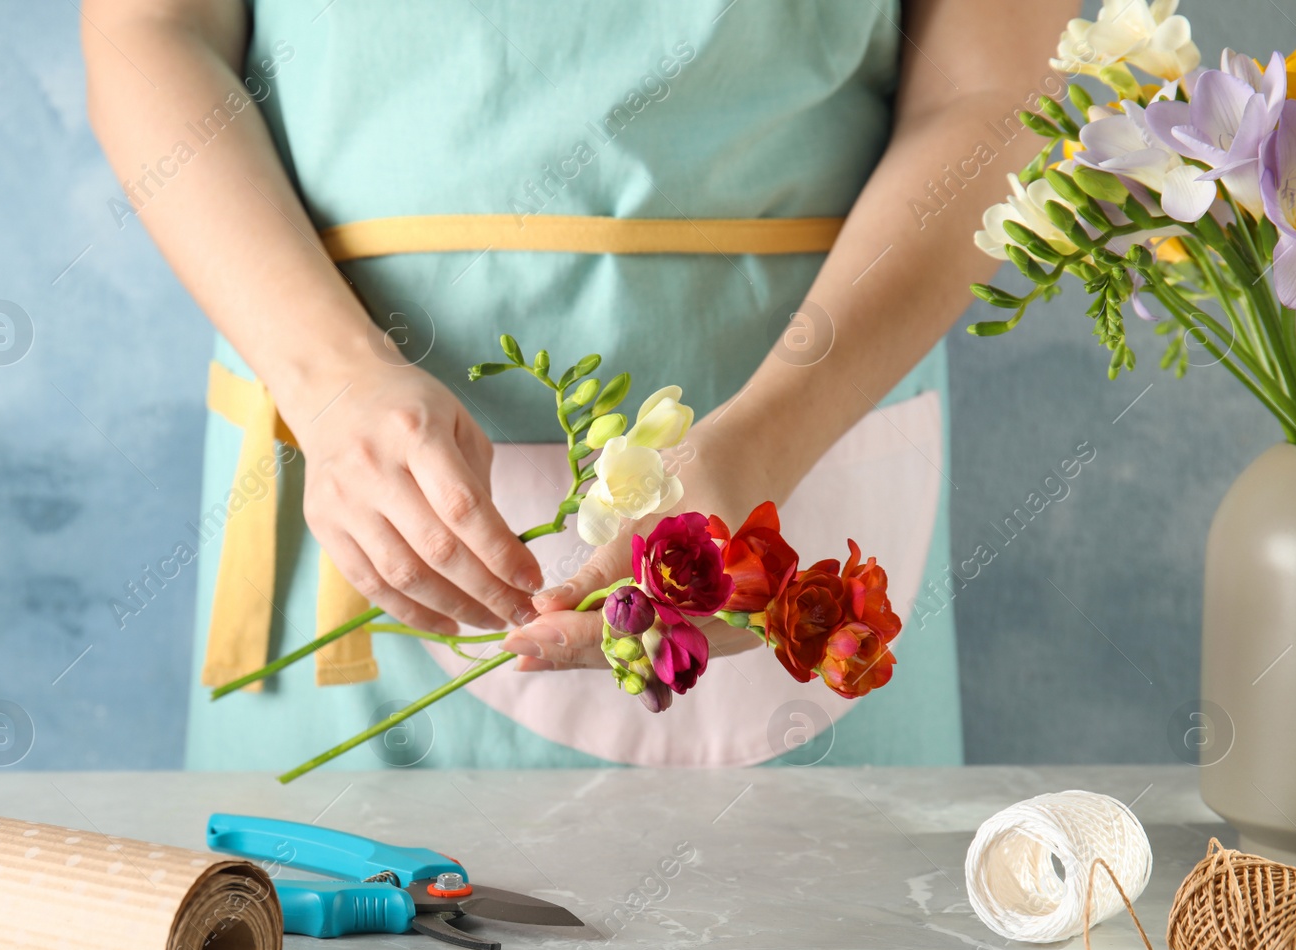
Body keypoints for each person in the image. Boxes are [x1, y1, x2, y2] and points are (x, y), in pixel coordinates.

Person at [83, 0, 1075, 770]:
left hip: (805, 446)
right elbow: (151, 26)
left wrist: (769, 436)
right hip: (344, 459)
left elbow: (990, 93)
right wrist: (333, 382)